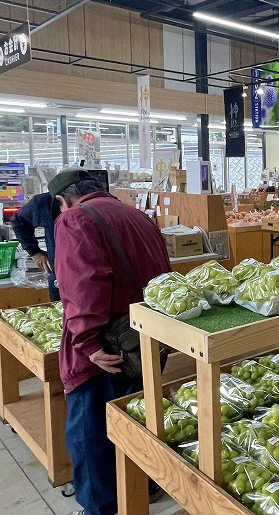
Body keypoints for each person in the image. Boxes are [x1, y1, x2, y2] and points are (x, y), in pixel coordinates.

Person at [49, 169, 171, 515]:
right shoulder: (138, 216)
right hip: (145, 336)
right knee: (140, 415)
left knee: (91, 428)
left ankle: (99, 506)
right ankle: (146, 486)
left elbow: (83, 284)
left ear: (62, 200)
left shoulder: (74, 220)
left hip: (108, 345)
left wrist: (87, 344)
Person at [10, 192, 59, 300]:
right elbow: (19, 221)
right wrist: (35, 252)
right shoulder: (46, 202)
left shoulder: (98, 205)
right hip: (59, 277)